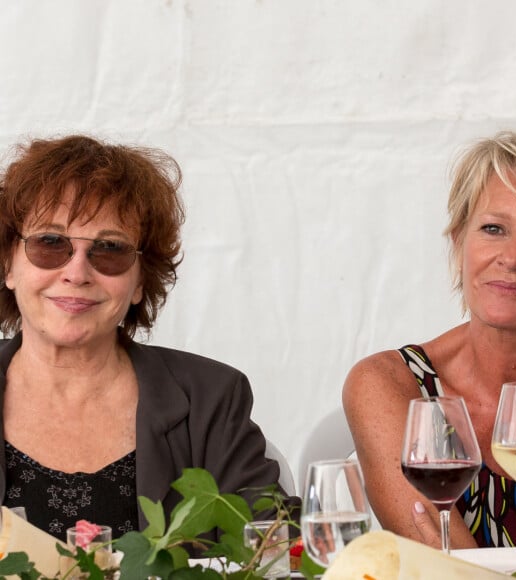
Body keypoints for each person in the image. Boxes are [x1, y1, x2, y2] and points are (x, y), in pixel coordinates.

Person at [0, 134, 297, 542]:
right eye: (50, 243)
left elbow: (275, 544)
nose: (77, 272)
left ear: (141, 280)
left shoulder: (210, 399)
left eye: (109, 249)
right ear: (8, 265)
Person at [343, 119, 516, 550]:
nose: (512, 258)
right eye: (493, 229)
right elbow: (447, 566)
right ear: (458, 243)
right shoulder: (390, 384)